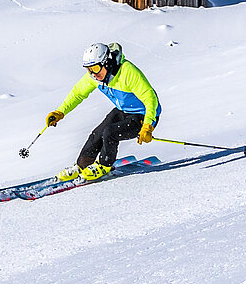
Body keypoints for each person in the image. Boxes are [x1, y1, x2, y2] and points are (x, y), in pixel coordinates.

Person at [45, 42, 161, 182]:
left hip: (144, 115)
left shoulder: (127, 72)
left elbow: (150, 98)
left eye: (95, 68)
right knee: (97, 134)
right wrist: (60, 112)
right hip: (123, 110)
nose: (93, 74)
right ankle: (82, 166)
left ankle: (104, 165)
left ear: (107, 62)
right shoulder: (95, 76)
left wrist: (148, 125)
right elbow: (78, 94)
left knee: (110, 133)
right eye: (89, 69)